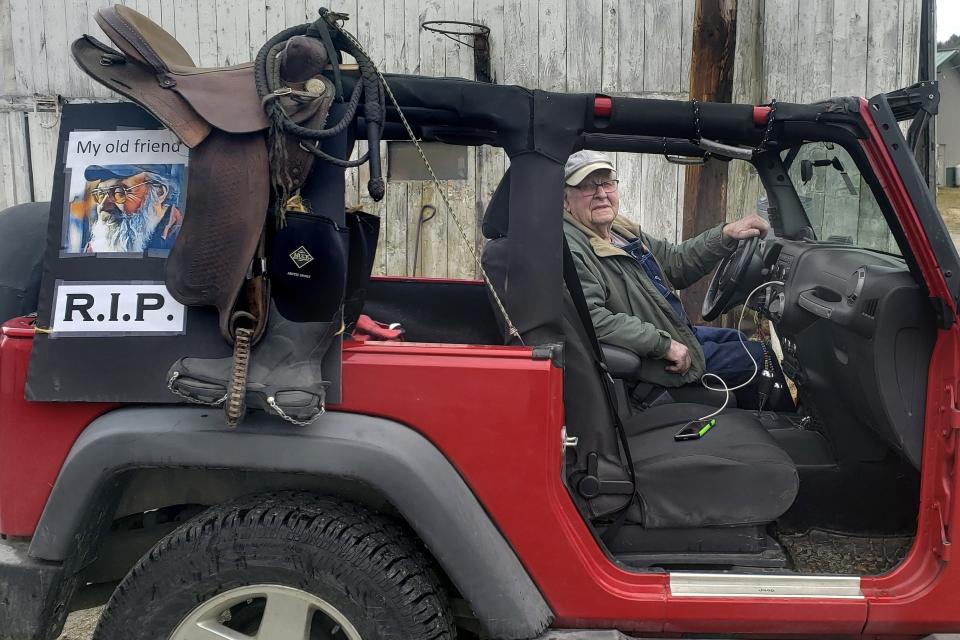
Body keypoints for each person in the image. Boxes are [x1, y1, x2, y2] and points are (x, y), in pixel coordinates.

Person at [562, 150, 774, 400]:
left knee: (737, 337)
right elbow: (592, 320)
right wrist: (663, 345)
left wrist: (725, 235)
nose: (601, 193)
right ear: (565, 201)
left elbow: (674, 263)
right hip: (653, 363)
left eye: (606, 183)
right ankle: (781, 430)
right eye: (587, 186)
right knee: (763, 357)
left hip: (672, 330)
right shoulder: (572, 250)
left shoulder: (621, 231)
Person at [83, 164, 184, 253]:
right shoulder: (94, 248)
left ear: (159, 192)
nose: (103, 204)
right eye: (101, 193)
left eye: (119, 191)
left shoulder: (185, 239)